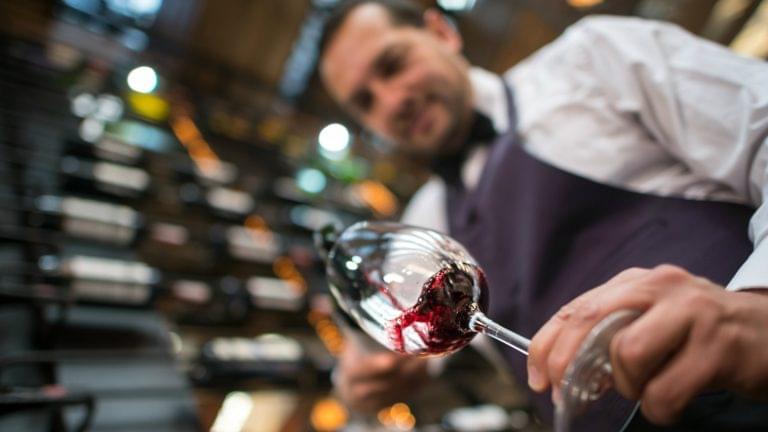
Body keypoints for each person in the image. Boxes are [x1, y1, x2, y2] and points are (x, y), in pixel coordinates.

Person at [317, 0, 768, 430]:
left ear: (441, 31)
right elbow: (396, 359)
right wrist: (361, 385)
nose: (391, 102)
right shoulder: (421, 222)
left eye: (393, 65)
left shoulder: (590, 61)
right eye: (365, 102)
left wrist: (754, 303)